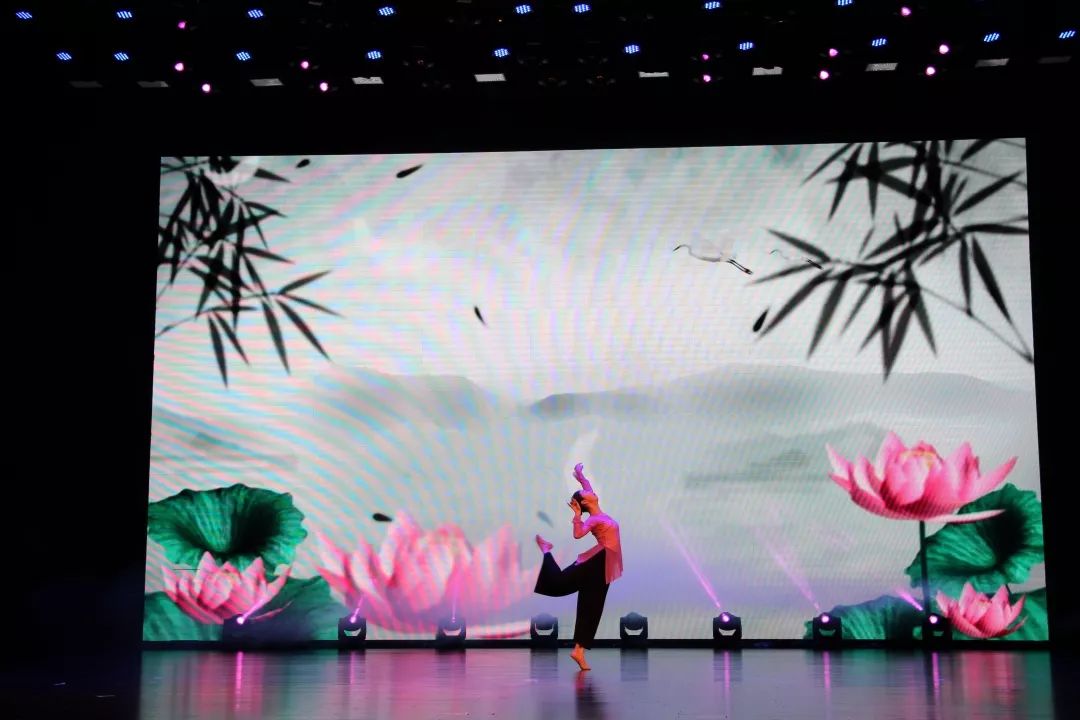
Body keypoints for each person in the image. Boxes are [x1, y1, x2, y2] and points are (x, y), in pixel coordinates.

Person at [534, 463, 623, 671]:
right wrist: (577, 515)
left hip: (606, 562)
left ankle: (579, 651)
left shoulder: (596, 509)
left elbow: (588, 488)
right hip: (598, 560)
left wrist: (581, 476)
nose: (591, 492)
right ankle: (546, 551)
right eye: (586, 493)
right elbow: (578, 534)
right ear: (585, 502)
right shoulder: (593, 520)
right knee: (561, 584)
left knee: (592, 606)